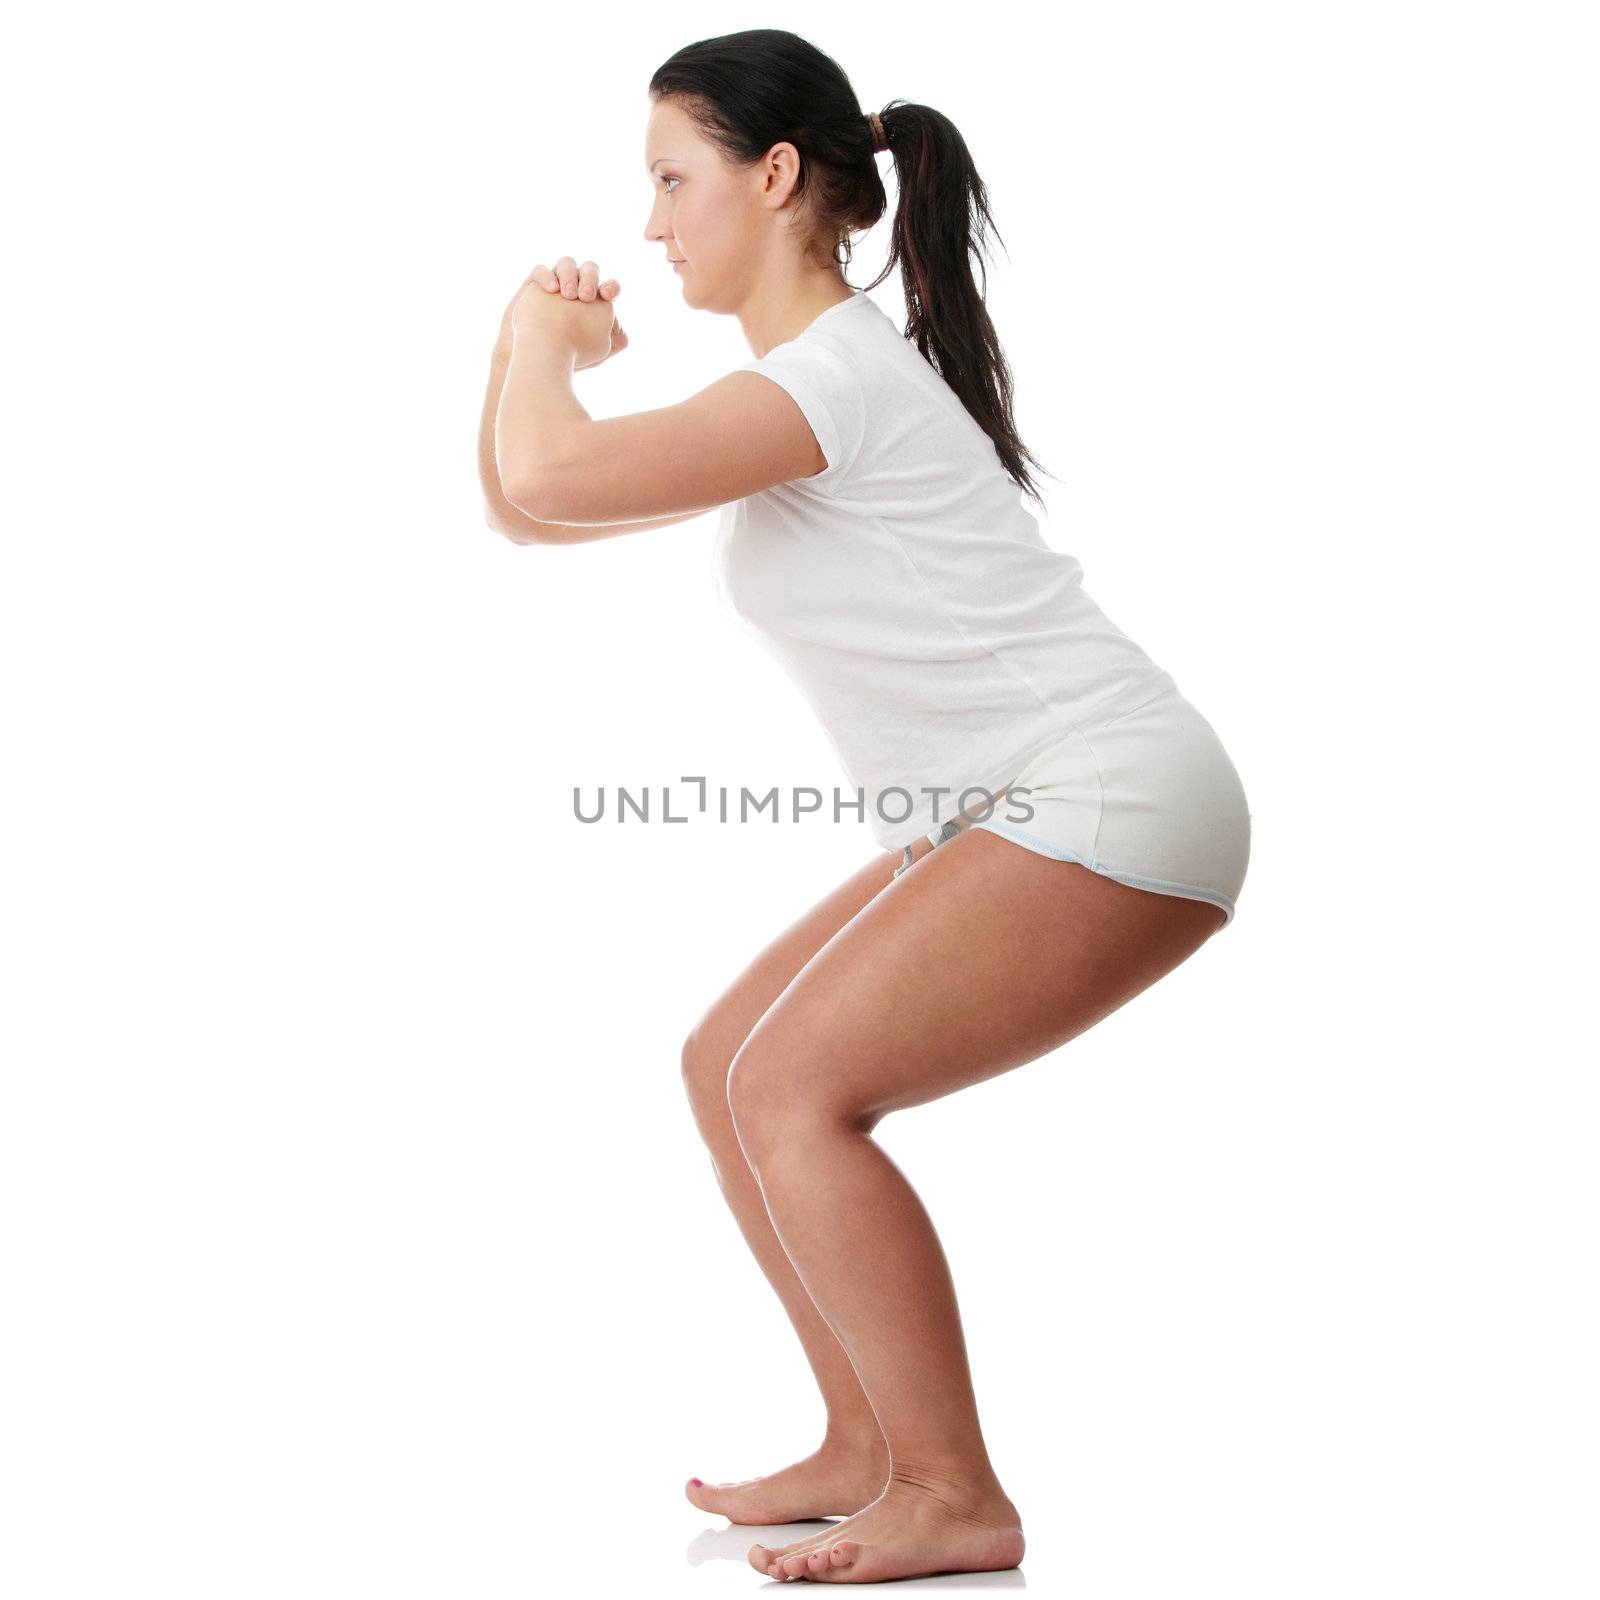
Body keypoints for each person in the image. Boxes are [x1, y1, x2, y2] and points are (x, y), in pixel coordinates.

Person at [479, 28, 1251, 1585]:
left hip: (1105, 789)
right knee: (727, 1066)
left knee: (789, 1092)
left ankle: (955, 1492)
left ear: (772, 178)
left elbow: (547, 477)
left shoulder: (826, 382)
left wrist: (536, 344)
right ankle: (867, 1444)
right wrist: (524, 360)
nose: (648, 223)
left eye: (670, 179)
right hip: (1023, 801)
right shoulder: (808, 385)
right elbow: (528, 510)